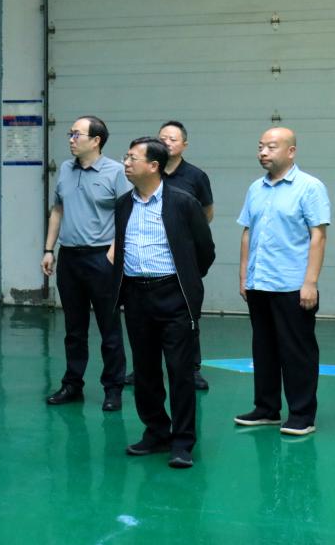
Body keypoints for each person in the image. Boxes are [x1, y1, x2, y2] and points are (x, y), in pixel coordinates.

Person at [111, 137, 214, 469]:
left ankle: (182, 441)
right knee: (145, 371)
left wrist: (185, 280)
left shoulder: (182, 202)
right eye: (126, 157)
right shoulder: (124, 204)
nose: (126, 163)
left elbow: (205, 250)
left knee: (179, 371)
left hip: (173, 295)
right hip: (136, 296)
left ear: (153, 166)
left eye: (132, 158)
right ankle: (156, 432)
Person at [234, 127, 329, 437]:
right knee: (263, 349)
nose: (263, 152)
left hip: (292, 285)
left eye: (271, 147)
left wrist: (310, 282)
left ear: (291, 151)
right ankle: (266, 408)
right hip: (259, 283)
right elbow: (247, 231)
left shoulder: (310, 187)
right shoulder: (255, 189)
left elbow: (318, 236)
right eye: (260, 146)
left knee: (297, 352)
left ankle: (302, 414)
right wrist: (244, 275)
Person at [42, 116, 131, 411]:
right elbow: (58, 210)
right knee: (73, 328)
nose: (71, 139)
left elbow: (127, 213)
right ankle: (72, 384)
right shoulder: (66, 170)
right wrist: (49, 249)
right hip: (70, 258)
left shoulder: (116, 172)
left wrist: (114, 250)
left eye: (76, 135)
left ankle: (113, 388)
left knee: (109, 327)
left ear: (96, 141)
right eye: (70, 134)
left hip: (101, 258)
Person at [124, 120, 216, 391]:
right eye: (162, 137)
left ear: (184, 145)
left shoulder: (195, 176)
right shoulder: (145, 179)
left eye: (173, 139)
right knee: (145, 331)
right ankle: (143, 368)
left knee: (186, 321)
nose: (167, 142)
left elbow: (206, 215)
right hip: (144, 274)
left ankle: (192, 368)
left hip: (180, 261)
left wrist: (189, 258)